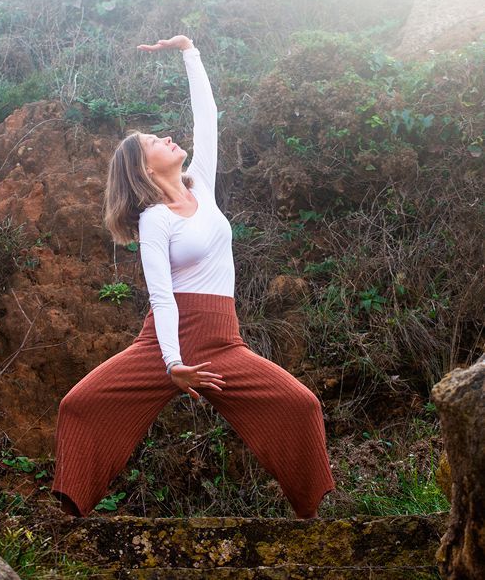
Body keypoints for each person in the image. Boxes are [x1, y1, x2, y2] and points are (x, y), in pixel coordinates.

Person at [51, 34, 336, 519]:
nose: (166, 136)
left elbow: (208, 120)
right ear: (143, 166)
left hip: (223, 343)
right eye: (152, 141)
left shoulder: (201, 184)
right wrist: (171, 365)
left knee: (301, 405)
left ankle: (310, 516)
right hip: (168, 341)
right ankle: (70, 517)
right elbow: (162, 300)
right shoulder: (154, 220)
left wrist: (189, 52)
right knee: (79, 404)